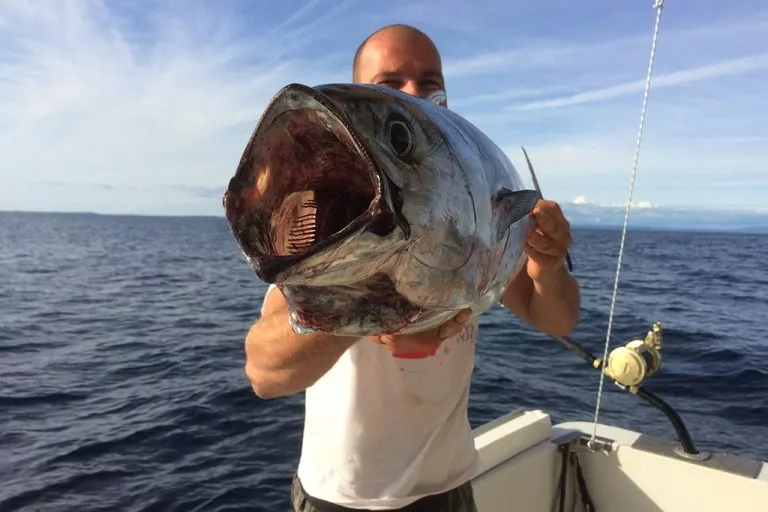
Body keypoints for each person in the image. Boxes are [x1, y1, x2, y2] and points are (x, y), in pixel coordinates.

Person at [244, 24, 581, 512]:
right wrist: (367, 302)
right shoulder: (324, 213)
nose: (414, 93)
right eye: (389, 82)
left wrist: (548, 268)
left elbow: (559, 319)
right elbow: (263, 371)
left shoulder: (474, 212)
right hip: (339, 500)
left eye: (430, 82)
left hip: (450, 489)